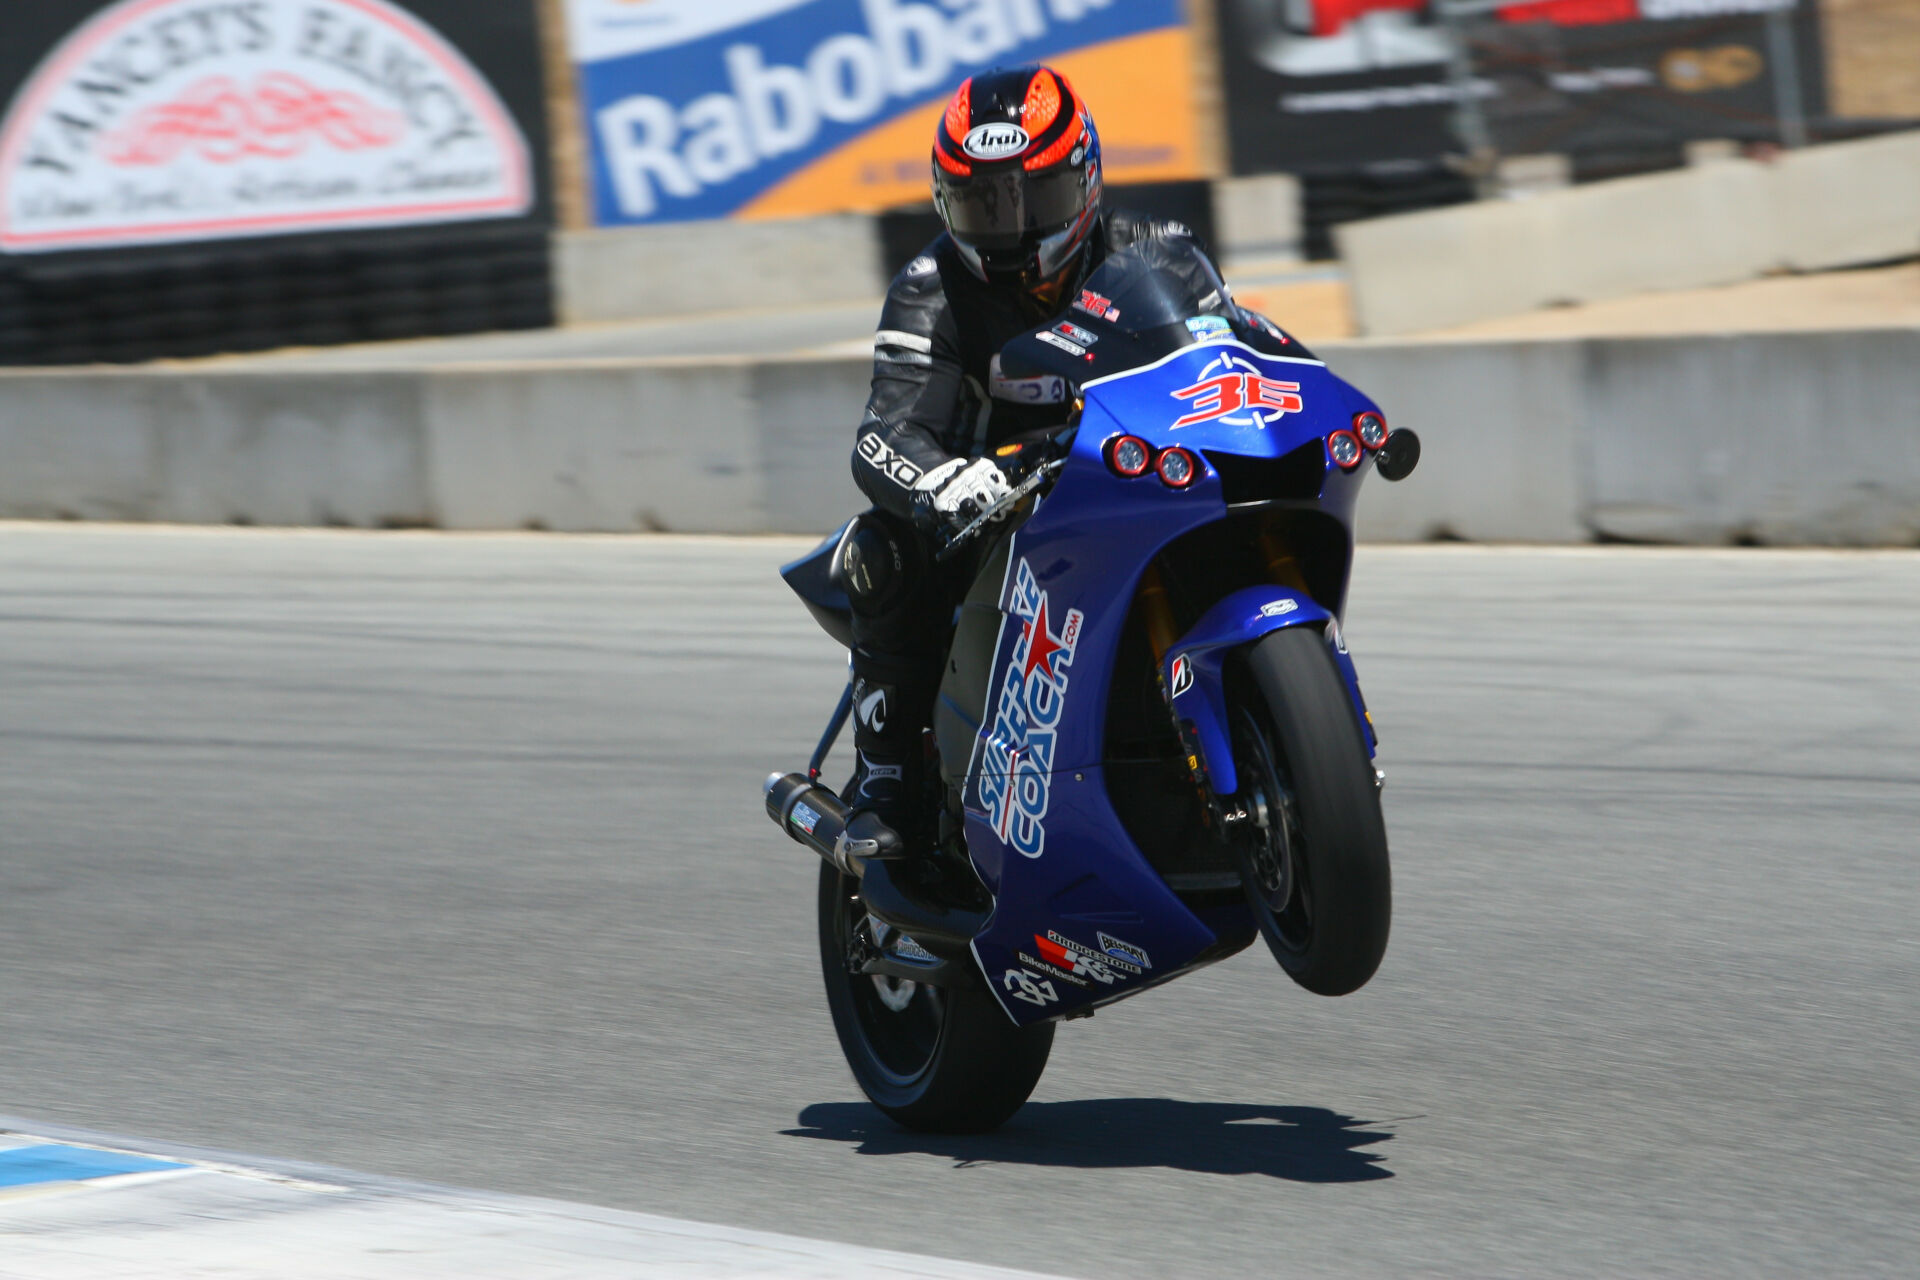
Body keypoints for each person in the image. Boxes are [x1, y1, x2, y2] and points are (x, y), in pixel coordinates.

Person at [836, 64, 1237, 846]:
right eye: (985, 205)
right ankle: (885, 780)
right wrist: (941, 484)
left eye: (1033, 199)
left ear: (1086, 183)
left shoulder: (1162, 254)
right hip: (996, 515)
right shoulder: (930, 289)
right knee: (881, 548)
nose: (1012, 229)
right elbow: (885, 432)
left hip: (1131, 482)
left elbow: (1231, 358)